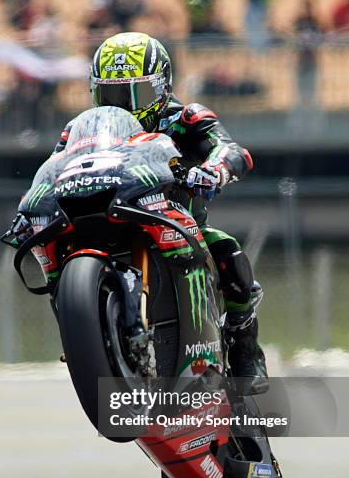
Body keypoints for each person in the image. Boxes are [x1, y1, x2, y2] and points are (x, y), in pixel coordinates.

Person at [54, 32, 268, 394]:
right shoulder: (81, 129)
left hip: (177, 223)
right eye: (112, 95)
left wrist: (214, 169)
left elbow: (232, 150)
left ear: (163, 86)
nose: (124, 106)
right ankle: (86, 331)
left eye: (135, 94)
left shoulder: (185, 117)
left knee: (228, 250)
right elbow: (56, 166)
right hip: (108, 215)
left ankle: (246, 350)